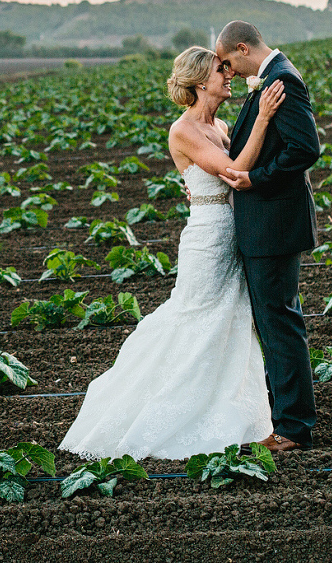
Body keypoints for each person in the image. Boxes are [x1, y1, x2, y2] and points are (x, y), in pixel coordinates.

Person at [58, 46, 285, 460]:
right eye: (222, 70)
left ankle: (234, 412)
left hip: (234, 232)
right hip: (207, 240)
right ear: (201, 82)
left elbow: (229, 166)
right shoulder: (183, 130)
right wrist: (265, 119)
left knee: (232, 320)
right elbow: (236, 172)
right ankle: (168, 412)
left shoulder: (219, 124)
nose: (229, 74)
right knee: (196, 318)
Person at [216, 20, 322, 454]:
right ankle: (285, 416)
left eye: (227, 62)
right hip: (268, 225)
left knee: (279, 325)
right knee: (275, 322)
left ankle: (294, 427)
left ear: (243, 48)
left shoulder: (282, 81)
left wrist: (255, 180)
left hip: (274, 225)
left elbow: (305, 148)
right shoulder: (271, 80)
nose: (227, 71)